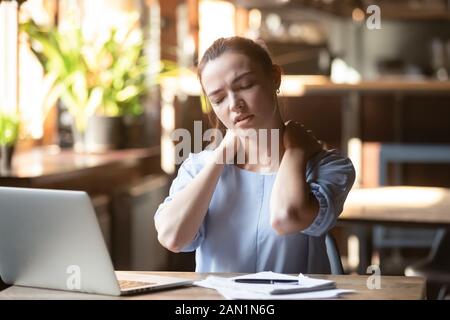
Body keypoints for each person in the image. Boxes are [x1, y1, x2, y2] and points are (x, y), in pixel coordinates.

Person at [154, 36, 355, 274]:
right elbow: (172, 238)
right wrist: (221, 154)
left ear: (275, 78)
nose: (234, 105)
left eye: (246, 85)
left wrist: (296, 151)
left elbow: (286, 217)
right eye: (218, 99)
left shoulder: (328, 167)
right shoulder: (198, 168)